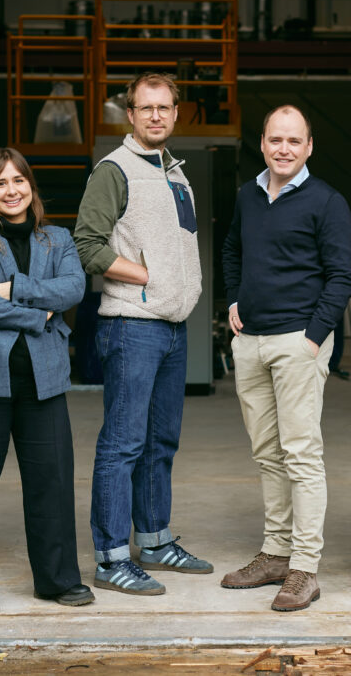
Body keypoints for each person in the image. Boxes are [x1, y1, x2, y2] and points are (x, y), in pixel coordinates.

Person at [74, 72, 212, 596]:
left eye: (165, 107)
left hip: (172, 328)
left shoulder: (176, 172)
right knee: (122, 443)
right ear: (129, 115)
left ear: (176, 114)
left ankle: (153, 541)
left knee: (160, 442)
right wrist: (147, 276)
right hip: (132, 325)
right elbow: (87, 245)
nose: (156, 115)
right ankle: (111, 557)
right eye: (145, 107)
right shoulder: (115, 170)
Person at [220, 104, 351, 612]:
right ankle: (275, 554)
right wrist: (232, 299)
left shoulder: (327, 201)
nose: (283, 149)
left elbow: (343, 274)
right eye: (275, 140)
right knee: (267, 453)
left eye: (294, 141)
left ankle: (304, 569)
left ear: (309, 147)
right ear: (262, 143)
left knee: (301, 456)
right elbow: (232, 249)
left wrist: (315, 336)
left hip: (298, 342)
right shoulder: (248, 195)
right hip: (250, 342)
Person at [0, 148, 92, 613]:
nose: (12, 191)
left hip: (44, 381)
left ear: (31, 186)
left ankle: (57, 580)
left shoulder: (59, 239)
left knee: (52, 484)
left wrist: (16, 289)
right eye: (0, 183)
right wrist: (37, 314)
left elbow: (74, 288)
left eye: (19, 181)